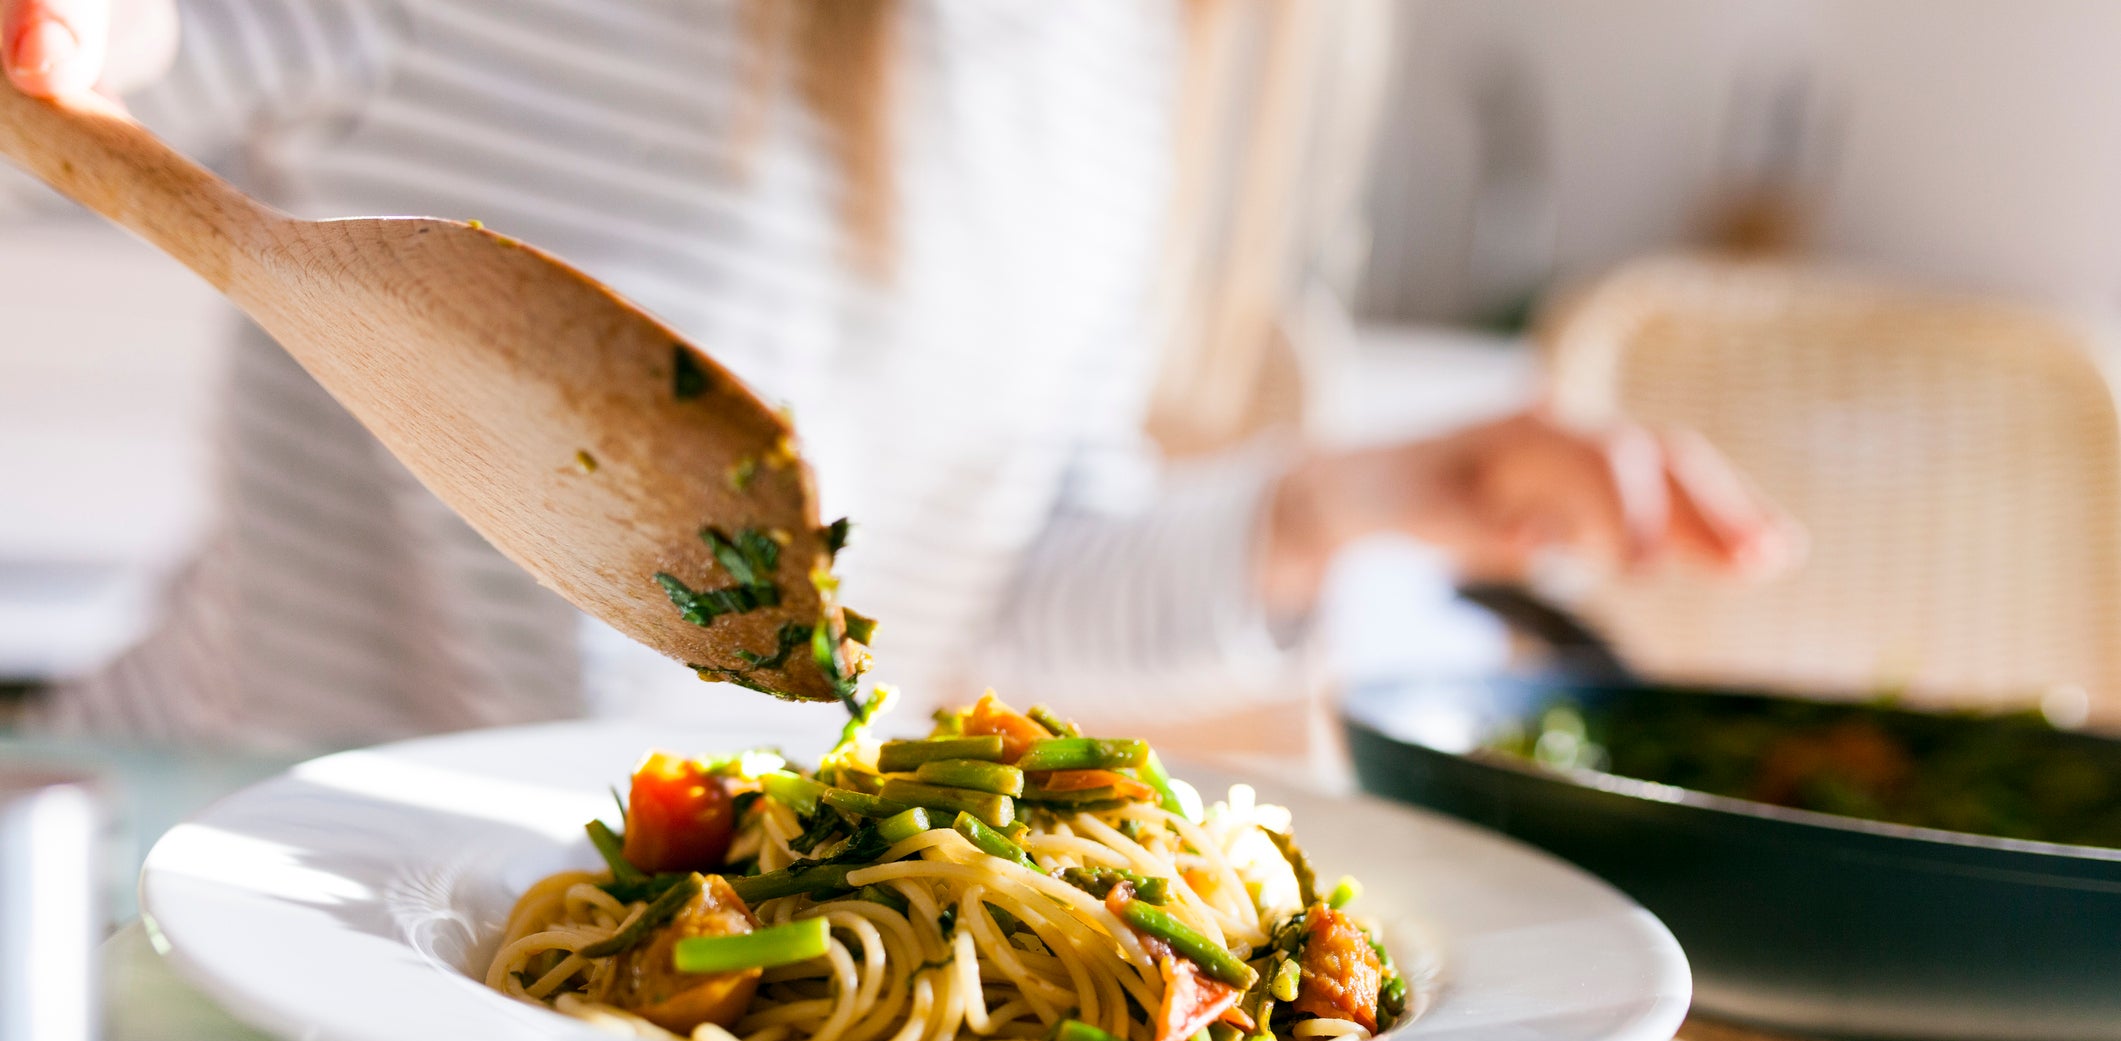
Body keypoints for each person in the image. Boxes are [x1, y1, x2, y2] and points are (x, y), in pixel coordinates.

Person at [3, 0, 1798, 746]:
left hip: (598, 994)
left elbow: (991, 586)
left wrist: (1359, 507)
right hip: (192, 880)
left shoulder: (1121, 78)